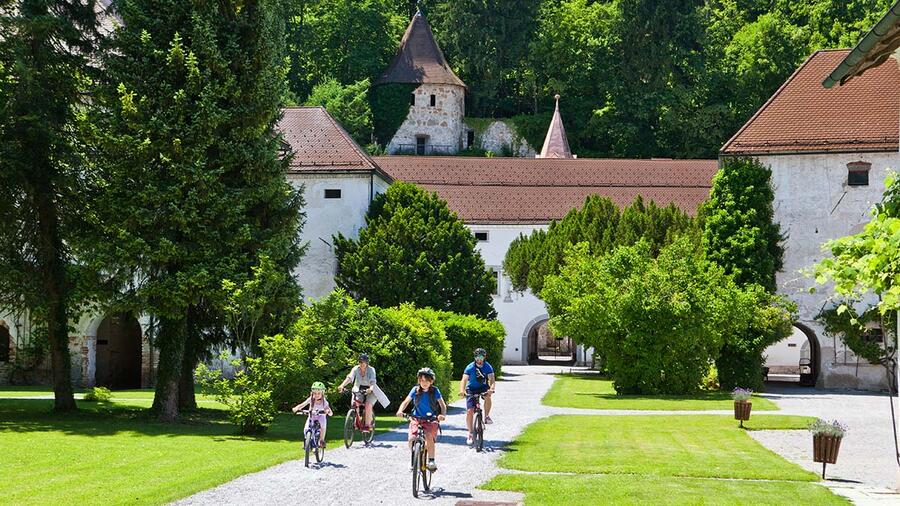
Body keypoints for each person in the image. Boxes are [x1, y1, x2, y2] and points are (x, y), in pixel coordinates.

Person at [396, 367, 447, 472]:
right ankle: (415, 458)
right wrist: (400, 411)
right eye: (421, 380)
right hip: (416, 418)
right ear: (419, 381)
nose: (424, 383)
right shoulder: (415, 390)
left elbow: (442, 405)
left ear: (431, 381)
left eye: (426, 381)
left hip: (430, 419)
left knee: (429, 437)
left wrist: (442, 415)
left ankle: (431, 460)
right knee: (411, 439)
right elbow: (406, 401)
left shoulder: (435, 391)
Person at [459, 347, 495, 446]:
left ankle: (487, 416)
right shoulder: (470, 367)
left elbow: (491, 379)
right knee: (470, 411)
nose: (479, 359)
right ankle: (470, 433)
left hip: (483, 387)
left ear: (484, 357)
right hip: (471, 389)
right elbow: (464, 380)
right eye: (477, 356)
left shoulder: (488, 366)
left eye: (481, 357)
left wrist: (491, 389)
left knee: (488, 396)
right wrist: (462, 390)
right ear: (474, 357)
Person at [338, 353, 377, 430]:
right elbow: (350, 377)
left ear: (367, 363)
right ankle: (356, 420)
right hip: (358, 388)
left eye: (363, 362)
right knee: (354, 403)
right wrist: (342, 385)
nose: (361, 364)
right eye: (360, 362)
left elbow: (373, 381)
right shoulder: (356, 369)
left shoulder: (371, 370)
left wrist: (371, 388)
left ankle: (367, 425)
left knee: (368, 405)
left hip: (370, 389)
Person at [292, 381, 333, 448]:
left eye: (318, 393)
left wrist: (328, 411)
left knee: (323, 426)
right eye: (315, 393)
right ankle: (306, 441)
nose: (316, 395)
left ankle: (321, 440)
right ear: (312, 393)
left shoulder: (324, 401)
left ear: (322, 393)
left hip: (321, 416)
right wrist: (296, 408)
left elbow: (328, 409)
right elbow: (303, 404)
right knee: (306, 429)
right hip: (312, 416)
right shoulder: (311, 399)